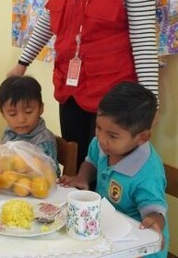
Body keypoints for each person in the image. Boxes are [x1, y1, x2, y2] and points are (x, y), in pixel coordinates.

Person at [8, 0, 160, 167]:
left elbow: (144, 40)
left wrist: (152, 106)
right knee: (77, 168)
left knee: (109, 179)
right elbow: (51, 14)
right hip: (71, 89)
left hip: (115, 99)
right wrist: (22, 63)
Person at [59, 82, 168, 257]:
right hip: (107, 230)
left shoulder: (148, 175)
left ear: (142, 137)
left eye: (112, 135)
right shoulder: (104, 145)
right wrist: (82, 177)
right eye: (98, 128)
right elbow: (92, 161)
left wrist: (154, 223)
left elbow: (156, 213)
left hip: (137, 247)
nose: (101, 138)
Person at [0, 76, 60, 176]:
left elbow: (48, 173)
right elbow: (8, 154)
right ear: (3, 114)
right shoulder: (11, 131)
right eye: (13, 114)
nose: (21, 119)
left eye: (28, 112)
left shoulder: (43, 141)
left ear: (41, 109)